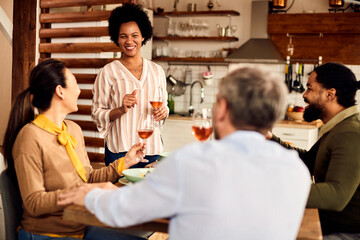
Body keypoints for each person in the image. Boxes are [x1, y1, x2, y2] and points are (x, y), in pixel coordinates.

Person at [58, 66, 311, 240]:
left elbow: (126, 209)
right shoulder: (296, 171)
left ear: (222, 109)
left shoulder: (191, 163)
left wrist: (91, 195)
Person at [2, 59, 150, 239]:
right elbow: (34, 202)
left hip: (79, 229)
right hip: (45, 234)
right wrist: (80, 193)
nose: (79, 90)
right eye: (75, 83)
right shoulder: (30, 136)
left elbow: (88, 178)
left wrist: (125, 162)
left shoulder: (73, 129)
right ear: (60, 91)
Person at [269, 62, 360, 239]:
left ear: (330, 94)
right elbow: (308, 161)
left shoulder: (350, 133)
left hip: (349, 234)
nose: (304, 95)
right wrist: (269, 139)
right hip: (329, 224)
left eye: (309, 88)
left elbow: (336, 195)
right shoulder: (338, 127)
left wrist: (273, 190)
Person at [92, 3, 168, 167]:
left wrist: (163, 112)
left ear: (143, 36)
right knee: (119, 192)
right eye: (123, 36)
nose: (129, 41)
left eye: (135, 35)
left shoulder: (157, 71)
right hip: (120, 152)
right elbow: (97, 113)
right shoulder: (108, 73)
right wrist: (120, 110)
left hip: (152, 151)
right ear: (116, 39)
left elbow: (164, 107)